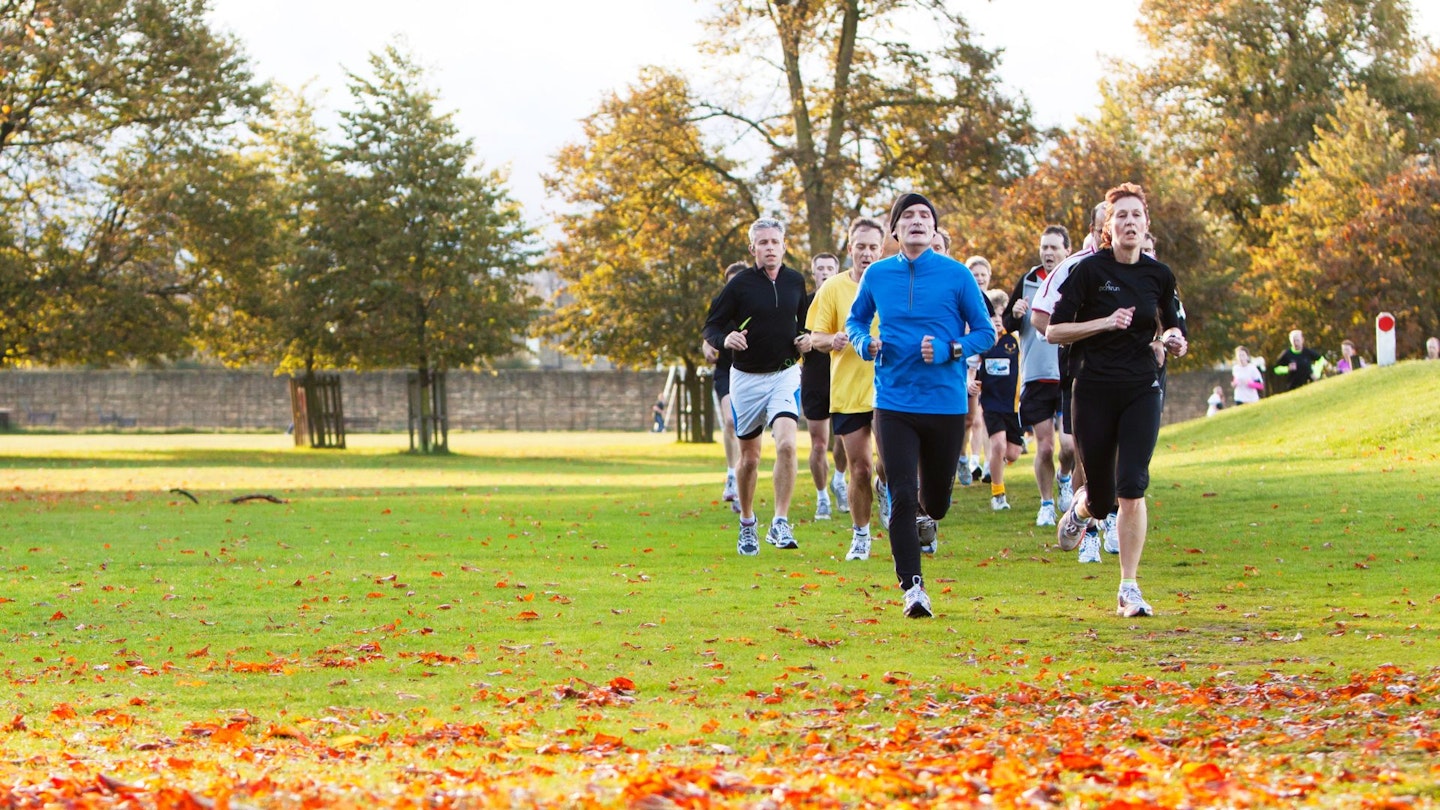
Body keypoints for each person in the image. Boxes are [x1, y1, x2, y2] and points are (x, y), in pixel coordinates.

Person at [845, 192, 996, 618]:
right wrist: (865, 343)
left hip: (946, 404)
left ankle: (923, 515)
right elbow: (855, 321)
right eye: (907, 216)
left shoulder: (957, 275)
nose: (916, 221)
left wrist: (953, 348)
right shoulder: (876, 275)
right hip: (893, 401)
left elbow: (985, 332)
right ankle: (913, 589)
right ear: (894, 230)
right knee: (902, 496)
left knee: (936, 503)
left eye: (924, 216)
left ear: (933, 229)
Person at [1047, 182, 1186, 617]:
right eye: (1120, 216)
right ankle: (1080, 508)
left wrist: (1175, 339)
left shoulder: (1159, 275)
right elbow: (1054, 330)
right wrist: (1104, 322)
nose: (1129, 222)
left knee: (1132, 485)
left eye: (1136, 215)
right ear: (1109, 227)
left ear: (1147, 225)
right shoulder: (1088, 272)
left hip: (1142, 387)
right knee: (1103, 496)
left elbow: (1174, 323)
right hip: (1092, 389)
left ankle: (1129, 588)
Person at [703, 218, 809, 556]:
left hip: (785, 374)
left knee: (788, 445)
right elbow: (712, 325)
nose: (769, 248)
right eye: (762, 243)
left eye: (774, 241)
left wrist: (807, 339)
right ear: (753, 249)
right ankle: (747, 522)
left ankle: (780, 521)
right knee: (749, 458)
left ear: (783, 245)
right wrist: (726, 338)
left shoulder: (795, 281)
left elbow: (805, 324)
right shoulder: (740, 286)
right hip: (746, 379)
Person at [807, 217, 888, 561]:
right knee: (860, 469)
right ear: (850, 248)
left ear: (882, 249)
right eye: (860, 246)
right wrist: (834, 339)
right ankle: (861, 535)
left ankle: (885, 489)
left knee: (889, 466)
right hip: (848, 392)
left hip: (889, 390)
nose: (866, 253)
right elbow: (814, 337)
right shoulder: (833, 288)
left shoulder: (892, 284)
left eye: (873, 247)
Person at [1032, 200, 1108, 552]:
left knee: (1122, 461)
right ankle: (1089, 533)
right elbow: (1041, 319)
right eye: (1106, 226)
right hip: (1082, 376)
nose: (1114, 233)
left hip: (1131, 378)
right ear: (1092, 230)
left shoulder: (1144, 267)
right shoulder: (1074, 267)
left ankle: (1110, 518)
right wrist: (1085, 333)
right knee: (1082, 454)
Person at [1003, 225, 1077, 527]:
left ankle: (1064, 478)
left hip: (1067, 373)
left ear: (1066, 250)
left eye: (1053, 248)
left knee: (1069, 446)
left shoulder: (1076, 278)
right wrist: (1016, 314)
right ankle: (1046, 504)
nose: (1047, 253)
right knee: (1045, 447)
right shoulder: (1028, 281)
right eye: (1043, 247)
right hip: (1035, 375)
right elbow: (1006, 323)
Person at [801, 253, 848, 520]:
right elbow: (793, 334)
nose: (825, 272)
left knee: (843, 439)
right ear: (814, 273)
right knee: (819, 444)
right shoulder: (805, 302)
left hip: (843, 376)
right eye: (820, 269)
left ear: (836, 270)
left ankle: (839, 479)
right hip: (814, 378)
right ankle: (822, 499)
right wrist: (801, 344)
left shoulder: (846, 296)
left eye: (830, 268)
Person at [702, 262, 749, 512]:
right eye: (730, 282)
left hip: (754, 373)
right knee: (731, 422)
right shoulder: (720, 305)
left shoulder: (759, 302)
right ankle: (732, 473)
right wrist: (706, 346)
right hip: (726, 371)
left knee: (748, 433)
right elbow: (709, 333)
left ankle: (742, 486)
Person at [976, 288, 1023, 510]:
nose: (996, 321)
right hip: (991, 404)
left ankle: (998, 465)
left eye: (999, 316)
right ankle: (998, 494)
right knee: (998, 445)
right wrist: (972, 382)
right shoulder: (983, 343)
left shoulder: (1014, 340)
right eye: (991, 317)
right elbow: (972, 368)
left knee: (1012, 451)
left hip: (1013, 405)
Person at [962, 255, 995, 484]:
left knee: (980, 418)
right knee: (969, 419)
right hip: (962, 362)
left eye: (983, 274)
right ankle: (965, 457)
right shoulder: (961, 295)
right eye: (975, 275)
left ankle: (983, 462)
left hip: (985, 365)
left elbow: (991, 334)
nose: (980, 278)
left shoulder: (988, 302)